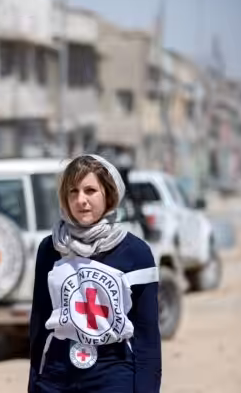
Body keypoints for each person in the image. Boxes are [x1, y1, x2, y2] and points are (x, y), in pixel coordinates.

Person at [28, 154, 161, 393]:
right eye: (73, 192)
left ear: (109, 195)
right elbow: (39, 326)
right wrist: (34, 383)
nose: (81, 200)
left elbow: (147, 338)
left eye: (90, 191)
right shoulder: (50, 249)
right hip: (56, 373)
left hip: (113, 371)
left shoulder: (137, 253)